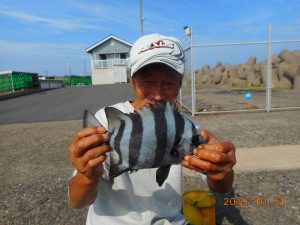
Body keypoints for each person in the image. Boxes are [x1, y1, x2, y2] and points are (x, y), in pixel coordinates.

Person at [68, 34, 236, 225]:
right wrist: (87, 176)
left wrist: (221, 172)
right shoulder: (104, 124)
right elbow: (77, 201)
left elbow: (221, 187)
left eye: (169, 83)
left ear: (179, 85)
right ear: (132, 81)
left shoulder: (191, 129)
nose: (157, 94)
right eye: (148, 82)